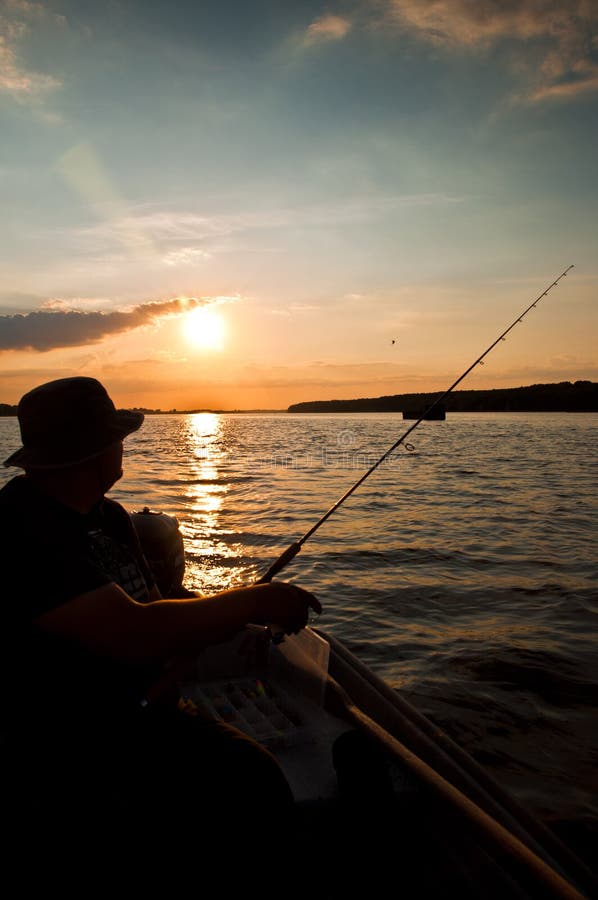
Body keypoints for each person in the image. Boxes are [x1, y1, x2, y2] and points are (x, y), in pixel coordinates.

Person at [0, 377, 321, 875]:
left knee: (256, 778)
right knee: (247, 787)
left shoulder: (108, 517)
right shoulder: (19, 528)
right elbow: (134, 631)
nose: (123, 445)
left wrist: (233, 618)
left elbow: (159, 604)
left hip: (150, 711)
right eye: (117, 436)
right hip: (75, 741)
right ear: (93, 448)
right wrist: (252, 601)